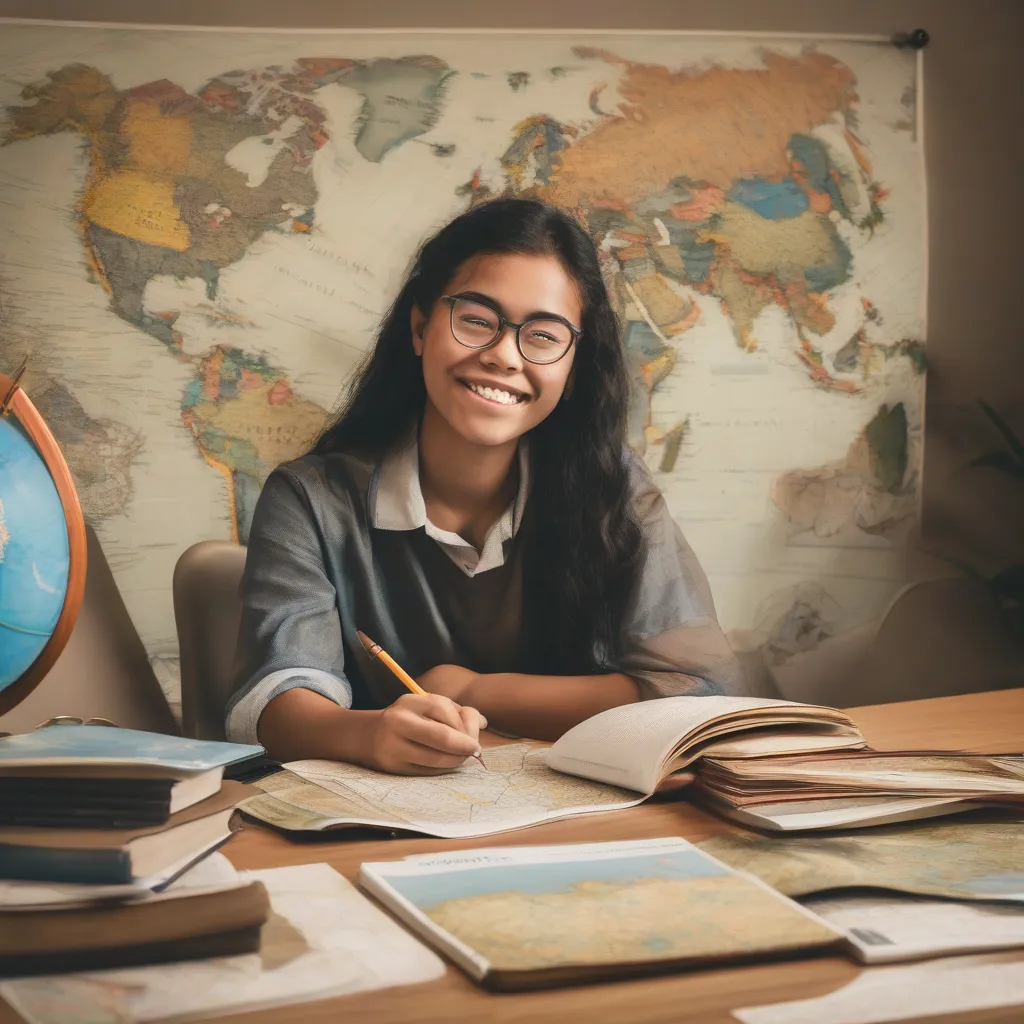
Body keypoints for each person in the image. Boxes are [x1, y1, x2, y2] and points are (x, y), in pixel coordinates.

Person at [226, 197, 743, 774]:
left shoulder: (612, 488)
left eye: (544, 336)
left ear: (573, 371)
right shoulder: (311, 498)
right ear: (421, 328)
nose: (502, 355)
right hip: (386, 823)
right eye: (476, 320)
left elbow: (701, 692)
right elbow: (276, 702)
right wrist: (367, 734)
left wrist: (472, 689)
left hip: (574, 818)